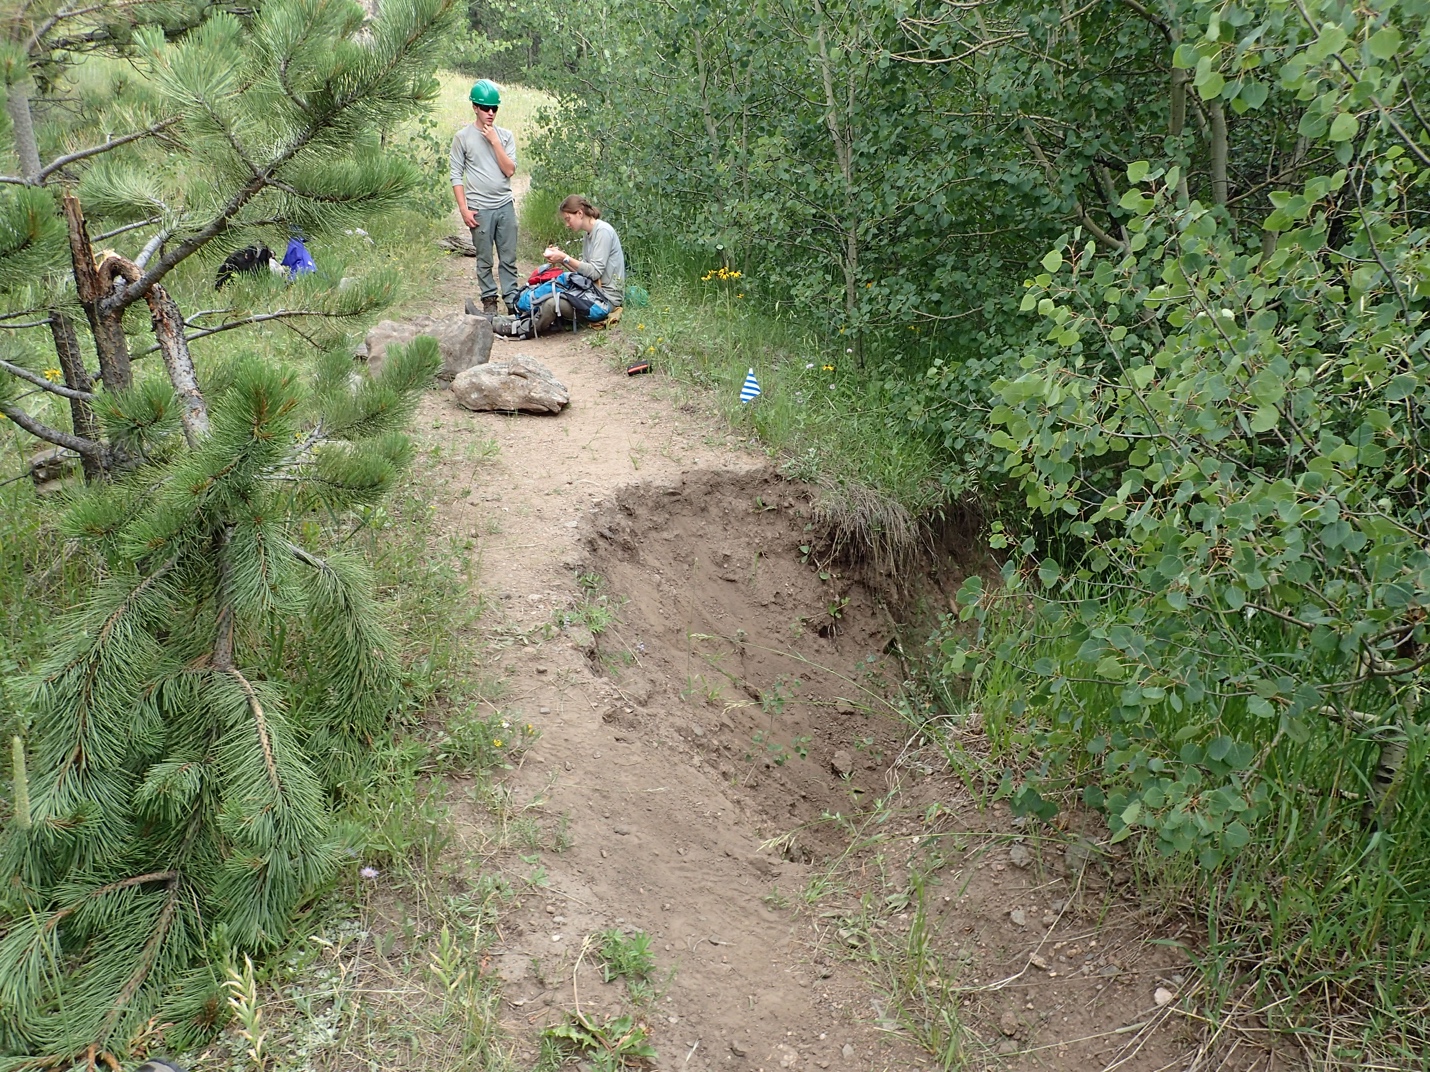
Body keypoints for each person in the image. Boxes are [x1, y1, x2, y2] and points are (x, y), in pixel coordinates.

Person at [450, 79, 518, 315]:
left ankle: (512, 301)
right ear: (475, 108)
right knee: (484, 259)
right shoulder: (463, 137)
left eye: (494, 109)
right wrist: (464, 209)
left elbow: (509, 170)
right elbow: (456, 175)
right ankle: (489, 301)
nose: (490, 113)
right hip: (480, 207)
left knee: (508, 257)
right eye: (485, 107)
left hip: (504, 205)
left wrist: (495, 142)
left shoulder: (505, 136)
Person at [543, 194, 625, 309]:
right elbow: (584, 273)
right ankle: (518, 322)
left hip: (607, 298)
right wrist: (562, 260)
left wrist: (565, 257)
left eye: (568, 219)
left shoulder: (603, 231)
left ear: (580, 213)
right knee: (548, 294)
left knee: (552, 304)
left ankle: (519, 325)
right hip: (593, 291)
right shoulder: (588, 234)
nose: (567, 224)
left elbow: (595, 272)